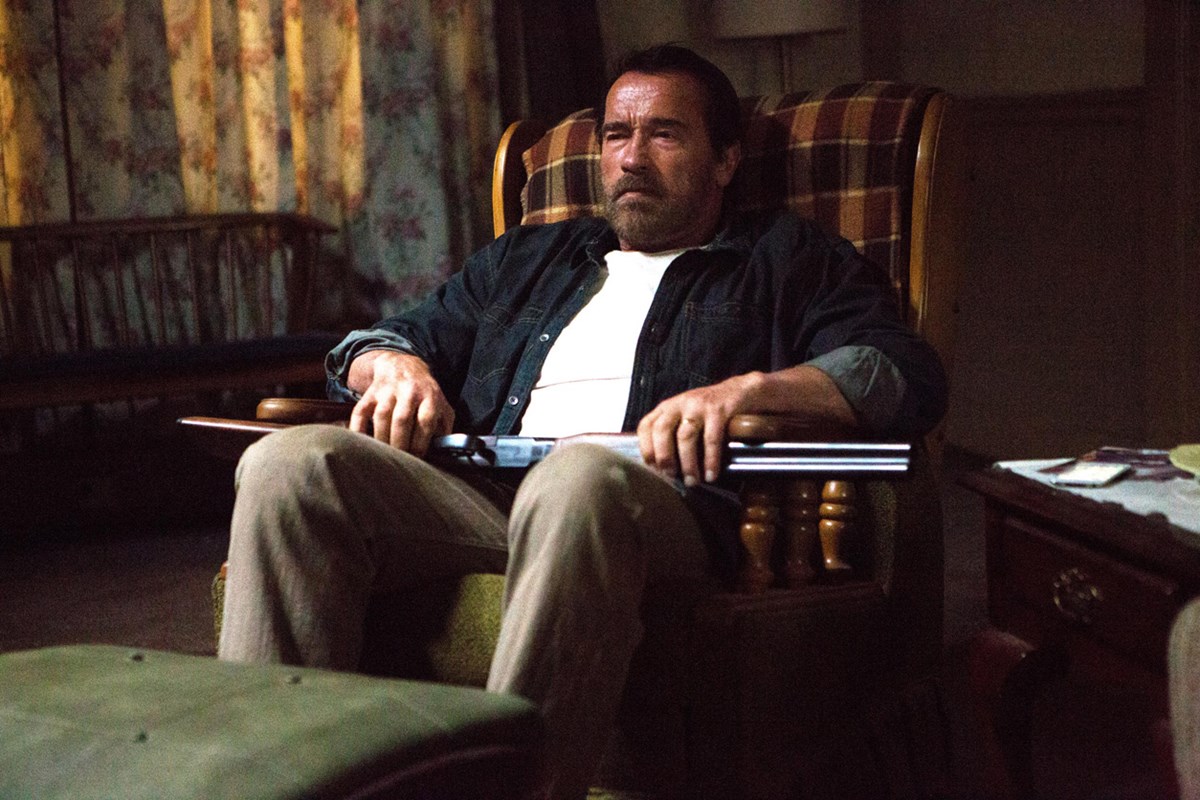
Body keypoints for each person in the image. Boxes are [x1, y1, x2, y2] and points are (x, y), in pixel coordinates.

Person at [218, 44, 948, 799]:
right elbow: (375, 343)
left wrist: (746, 393)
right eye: (617, 135)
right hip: (483, 492)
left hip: (656, 504)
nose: (632, 158)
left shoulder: (787, 258)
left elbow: (903, 373)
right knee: (289, 464)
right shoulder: (530, 258)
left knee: (577, 476)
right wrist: (394, 366)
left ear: (725, 160)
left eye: (664, 134)